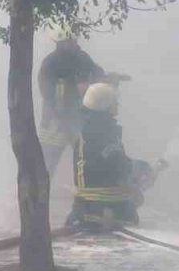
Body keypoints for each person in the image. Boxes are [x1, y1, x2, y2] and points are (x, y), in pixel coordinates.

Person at [66, 83, 160, 233]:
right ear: (105, 106)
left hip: (87, 209)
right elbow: (118, 165)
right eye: (114, 102)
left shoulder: (90, 128)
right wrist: (141, 168)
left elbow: (107, 166)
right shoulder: (101, 132)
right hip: (105, 213)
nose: (117, 105)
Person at [37, 32, 122, 174]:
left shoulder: (82, 57)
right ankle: (38, 191)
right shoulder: (50, 63)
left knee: (82, 156)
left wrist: (107, 78)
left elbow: (97, 73)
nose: (74, 43)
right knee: (48, 160)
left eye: (74, 40)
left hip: (77, 118)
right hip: (55, 121)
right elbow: (46, 92)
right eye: (70, 41)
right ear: (59, 43)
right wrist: (75, 88)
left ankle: (84, 186)